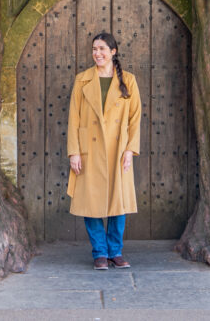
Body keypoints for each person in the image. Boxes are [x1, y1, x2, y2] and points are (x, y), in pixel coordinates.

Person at [67, 32, 141, 270]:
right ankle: (100, 252)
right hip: (89, 149)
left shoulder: (128, 80)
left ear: (113, 52)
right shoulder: (82, 80)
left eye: (101, 49)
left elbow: (135, 119)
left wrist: (130, 150)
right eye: (94, 49)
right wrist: (74, 152)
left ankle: (115, 251)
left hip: (118, 150)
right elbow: (74, 118)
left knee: (118, 202)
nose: (97, 53)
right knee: (91, 202)